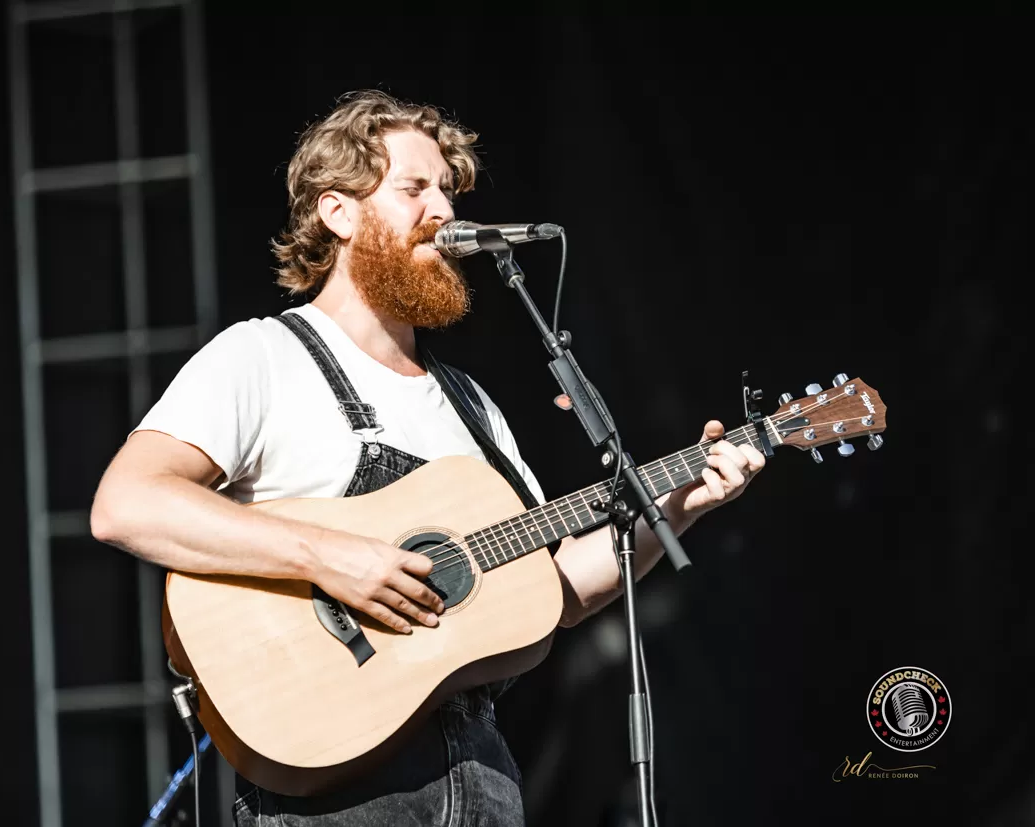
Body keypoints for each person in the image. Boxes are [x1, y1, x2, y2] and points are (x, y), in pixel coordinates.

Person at [90, 89, 766, 826]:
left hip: (484, 780)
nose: (443, 211)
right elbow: (127, 504)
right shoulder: (263, 356)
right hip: (337, 789)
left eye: (447, 190)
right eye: (413, 188)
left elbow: (555, 589)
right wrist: (330, 558)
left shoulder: (472, 406)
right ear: (338, 212)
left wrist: (678, 505)